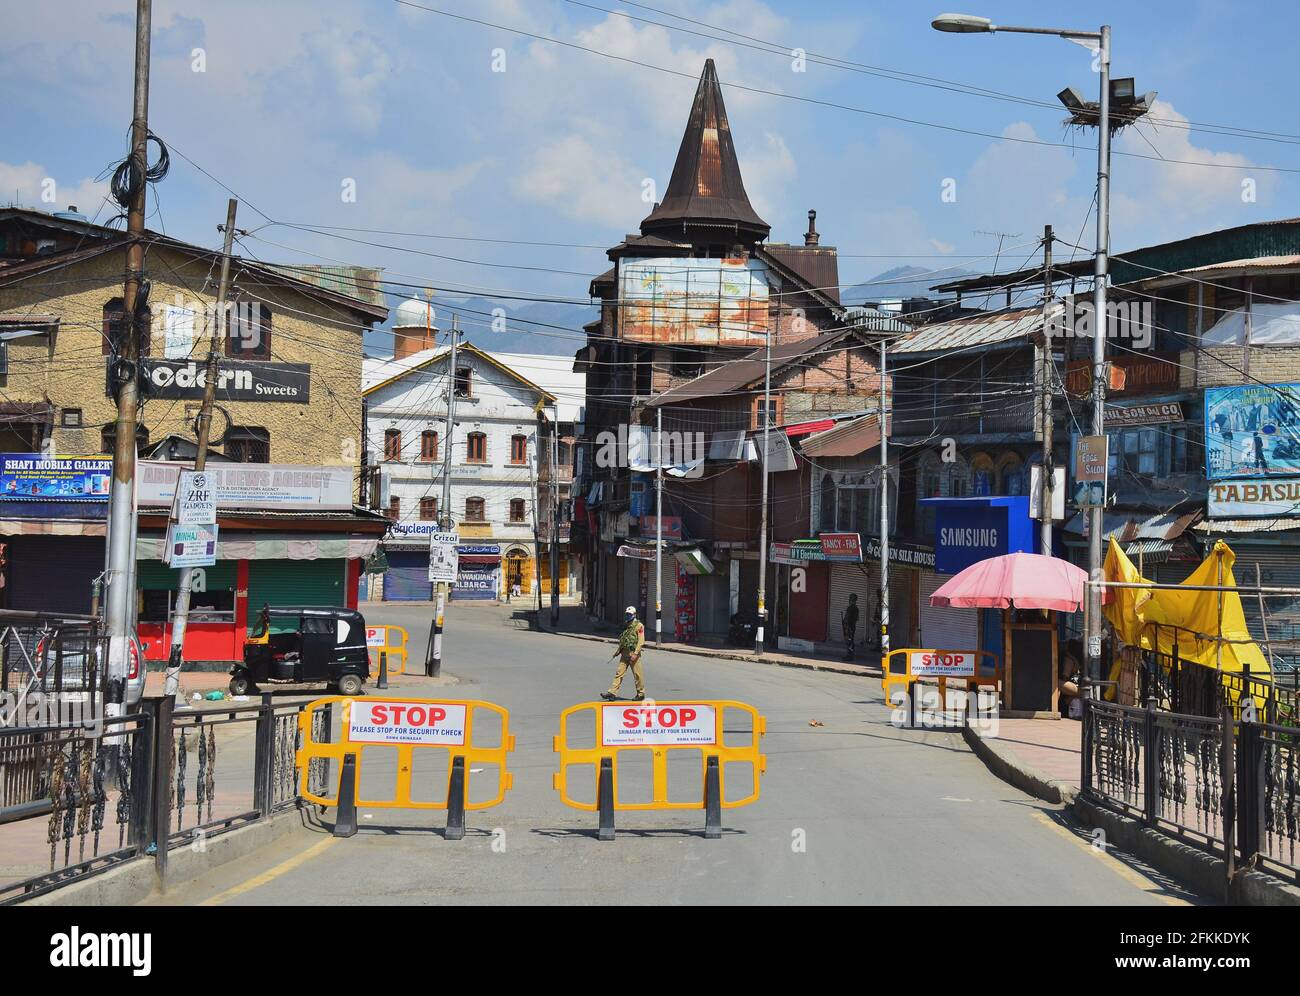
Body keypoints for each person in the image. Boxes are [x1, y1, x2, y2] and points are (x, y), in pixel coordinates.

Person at [602, 605, 645, 701]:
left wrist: (635, 653)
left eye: (629, 614)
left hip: (633, 654)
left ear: (634, 615)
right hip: (624, 654)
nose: (627, 616)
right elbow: (625, 640)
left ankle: (641, 693)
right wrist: (618, 651)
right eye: (626, 614)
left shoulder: (639, 626)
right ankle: (612, 693)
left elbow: (641, 641)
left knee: (638, 675)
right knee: (619, 673)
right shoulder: (627, 625)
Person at [841, 593, 859, 661]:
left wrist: (845, 624)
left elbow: (847, 618)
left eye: (851, 599)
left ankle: (850, 656)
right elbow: (856, 619)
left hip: (849, 626)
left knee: (849, 641)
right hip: (852, 626)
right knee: (850, 641)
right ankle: (850, 655)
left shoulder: (851, 607)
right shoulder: (856, 608)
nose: (850, 600)